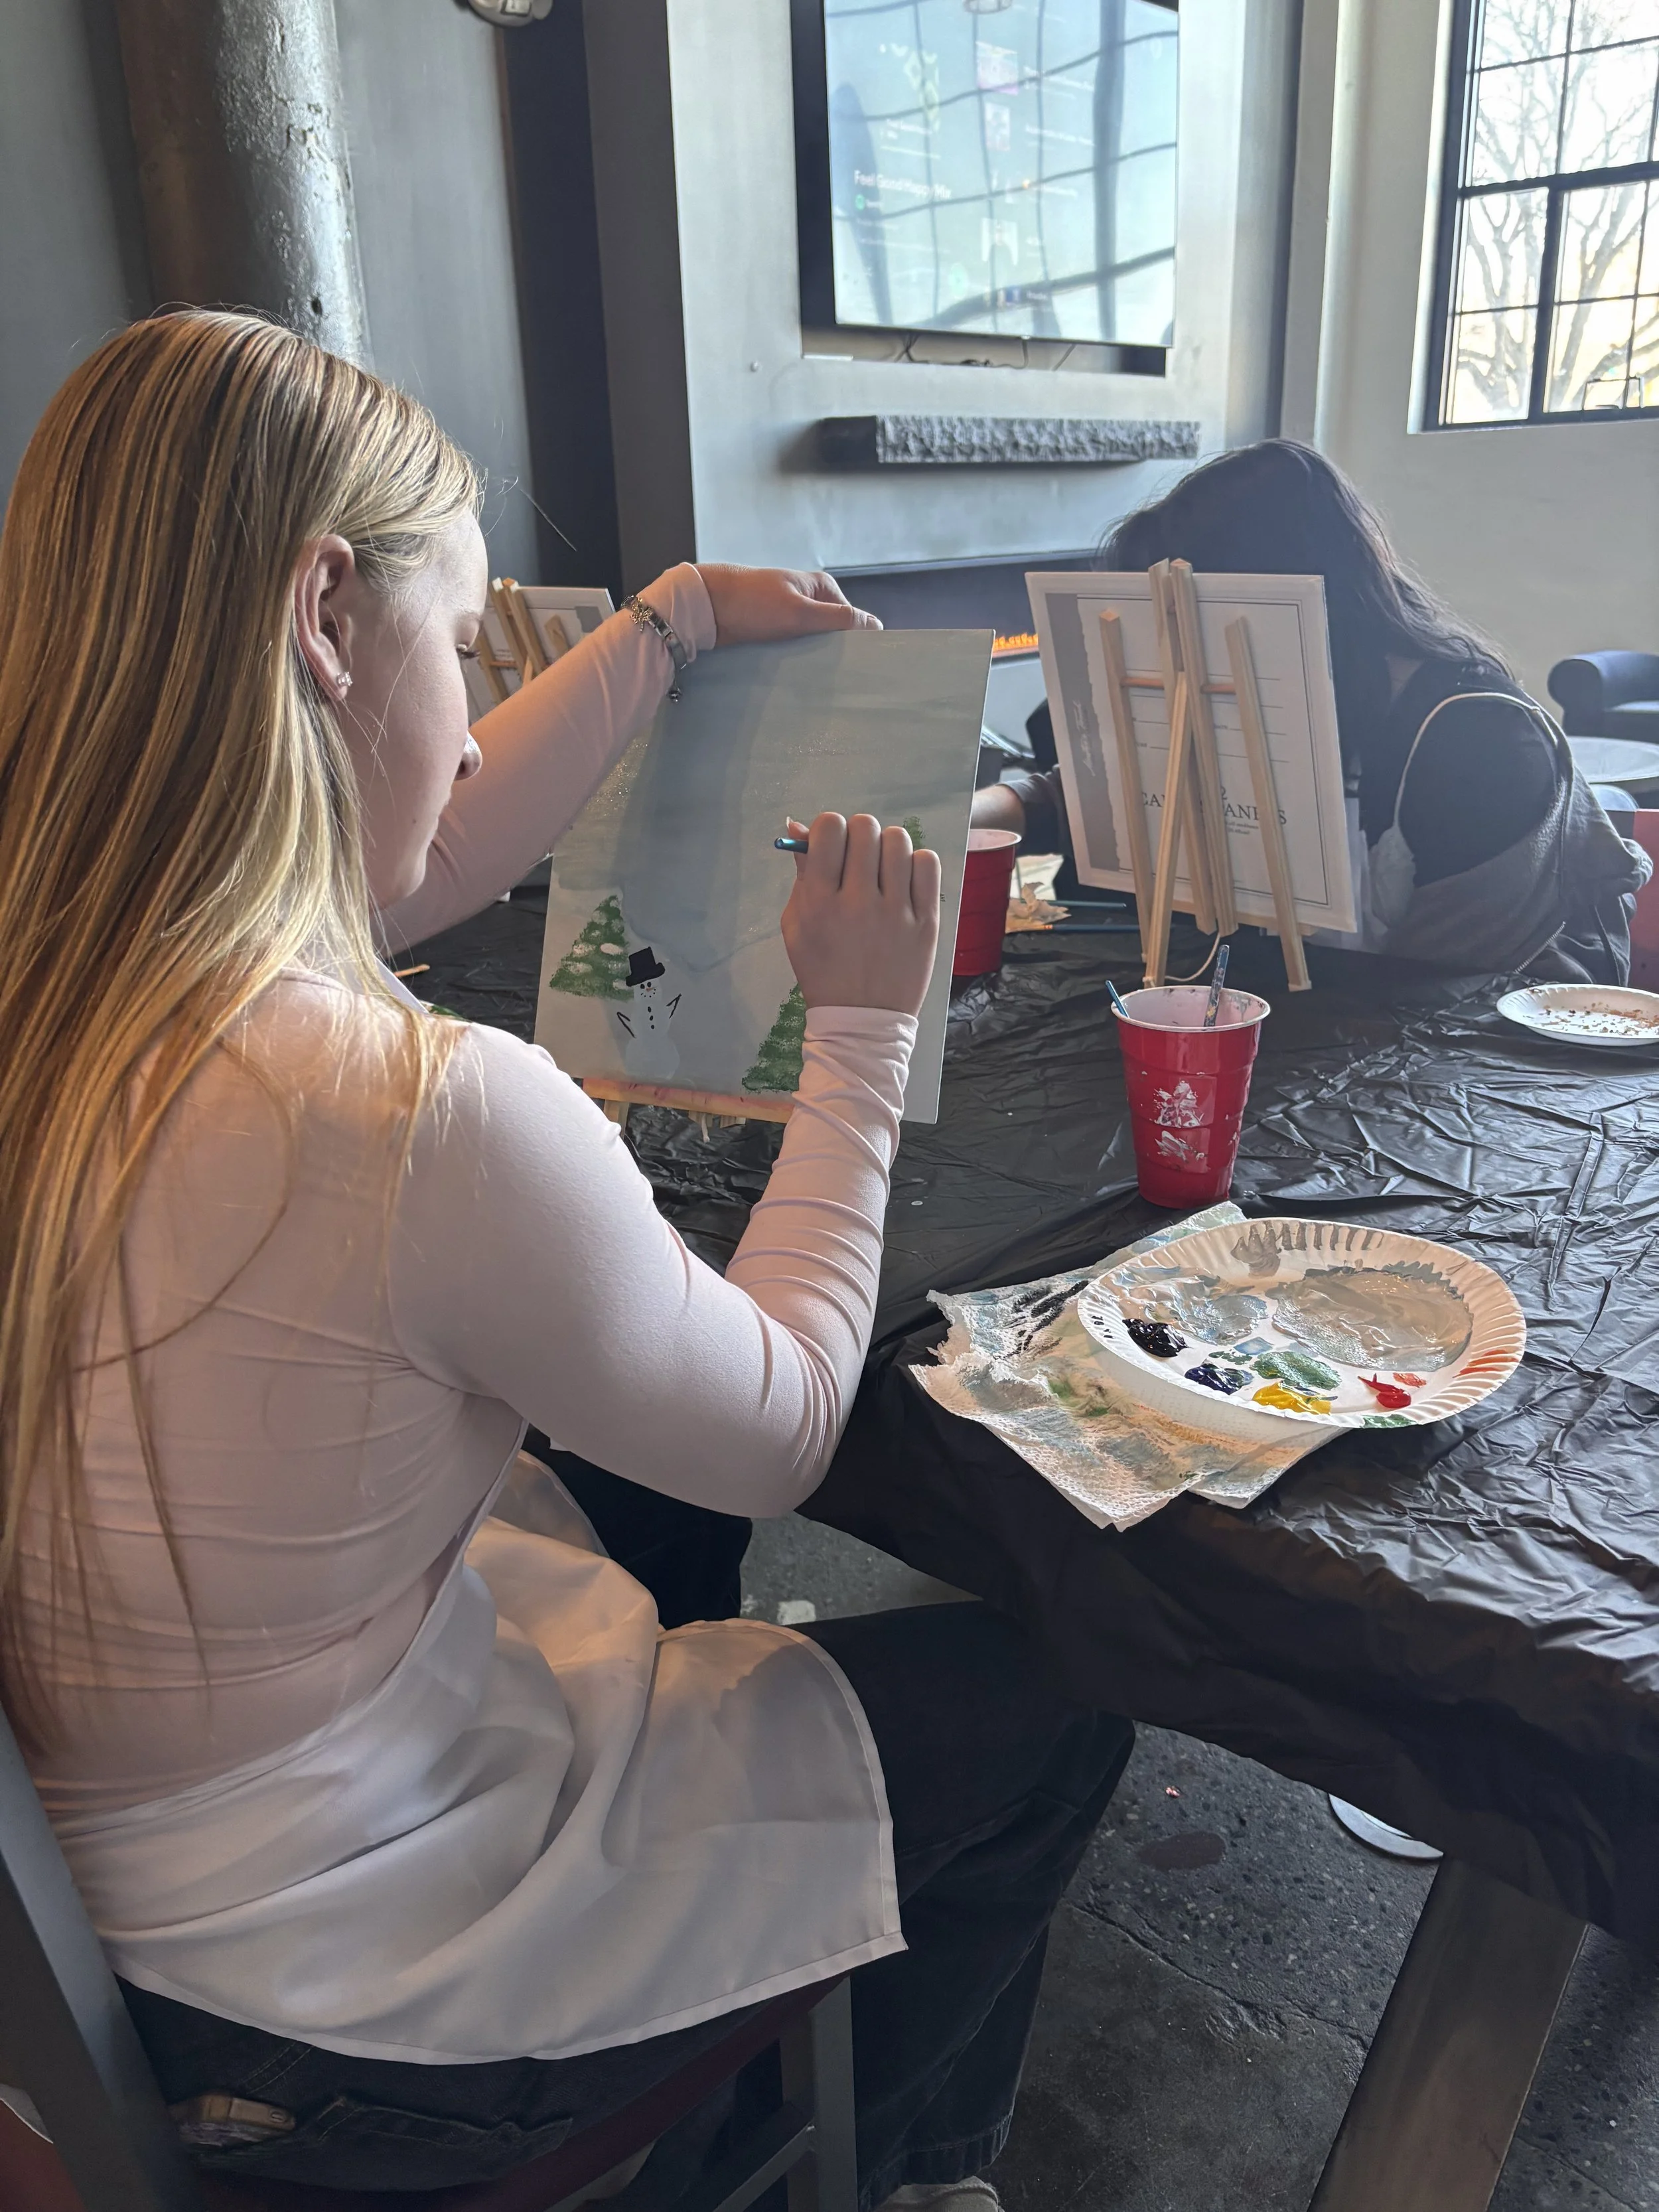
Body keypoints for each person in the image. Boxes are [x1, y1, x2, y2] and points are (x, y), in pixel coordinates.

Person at [0, 310, 1131, 2208]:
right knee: (1058, 1702)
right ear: (322, 616)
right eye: (459, 652)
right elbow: (777, 1425)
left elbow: (408, 853)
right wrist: (855, 1023)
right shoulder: (410, 1104)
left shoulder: (67, 972)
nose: (462, 721)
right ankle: (889, 2164)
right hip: (335, 2020)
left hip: (84, 1980)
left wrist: (670, 621)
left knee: (610, 1528)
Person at [975, 440, 1648, 982]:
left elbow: (1442, 999)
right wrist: (945, 817)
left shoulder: (1477, 743)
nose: (1171, 646)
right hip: (1320, 1027)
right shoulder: (1250, 689)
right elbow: (1104, 791)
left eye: (1186, 617)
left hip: (1483, 1068)